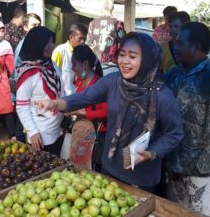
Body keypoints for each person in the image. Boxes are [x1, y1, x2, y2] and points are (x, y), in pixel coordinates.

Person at [35, 32, 183, 192]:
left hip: (141, 176)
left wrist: (152, 152)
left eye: (132, 57)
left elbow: (174, 134)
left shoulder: (162, 96)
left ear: (147, 59)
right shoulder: (113, 81)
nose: (124, 61)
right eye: (122, 55)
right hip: (110, 168)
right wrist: (56, 103)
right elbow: (85, 97)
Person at [163, 22, 210, 216]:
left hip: (197, 169)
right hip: (172, 161)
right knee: (174, 212)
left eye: (181, 43)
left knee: (198, 213)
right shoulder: (173, 74)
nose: (175, 46)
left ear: (197, 47)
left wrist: (203, 168)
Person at [16, 26, 64, 155]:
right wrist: (32, 131)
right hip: (40, 135)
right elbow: (21, 106)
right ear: (36, 44)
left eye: (52, 42)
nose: (51, 46)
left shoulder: (51, 64)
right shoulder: (28, 73)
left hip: (57, 129)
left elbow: (60, 90)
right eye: (46, 43)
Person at [68, 45, 107, 170]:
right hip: (78, 135)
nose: (72, 68)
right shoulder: (79, 82)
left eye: (74, 64)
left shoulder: (100, 84)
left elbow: (107, 111)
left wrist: (82, 112)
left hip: (95, 138)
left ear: (85, 64)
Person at [13, 13, 42, 143]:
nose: (37, 28)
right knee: (21, 124)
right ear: (25, 27)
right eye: (34, 25)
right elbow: (18, 71)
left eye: (39, 25)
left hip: (32, 90)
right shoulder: (23, 46)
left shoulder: (35, 43)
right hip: (24, 90)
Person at [86, 0, 126, 64]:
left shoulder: (93, 23)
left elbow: (89, 44)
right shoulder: (117, 23)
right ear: (112, 8)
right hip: (112, 64)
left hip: (96, 63)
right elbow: (123, 43)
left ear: (101, 8)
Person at [52, 23, 87, 95]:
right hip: (64, 98)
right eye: (80, 38)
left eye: (84, 39)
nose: (83, 42)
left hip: (79, 97)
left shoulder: (85, 52)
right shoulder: (60, 51)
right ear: (71, 37)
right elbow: (53, 75)